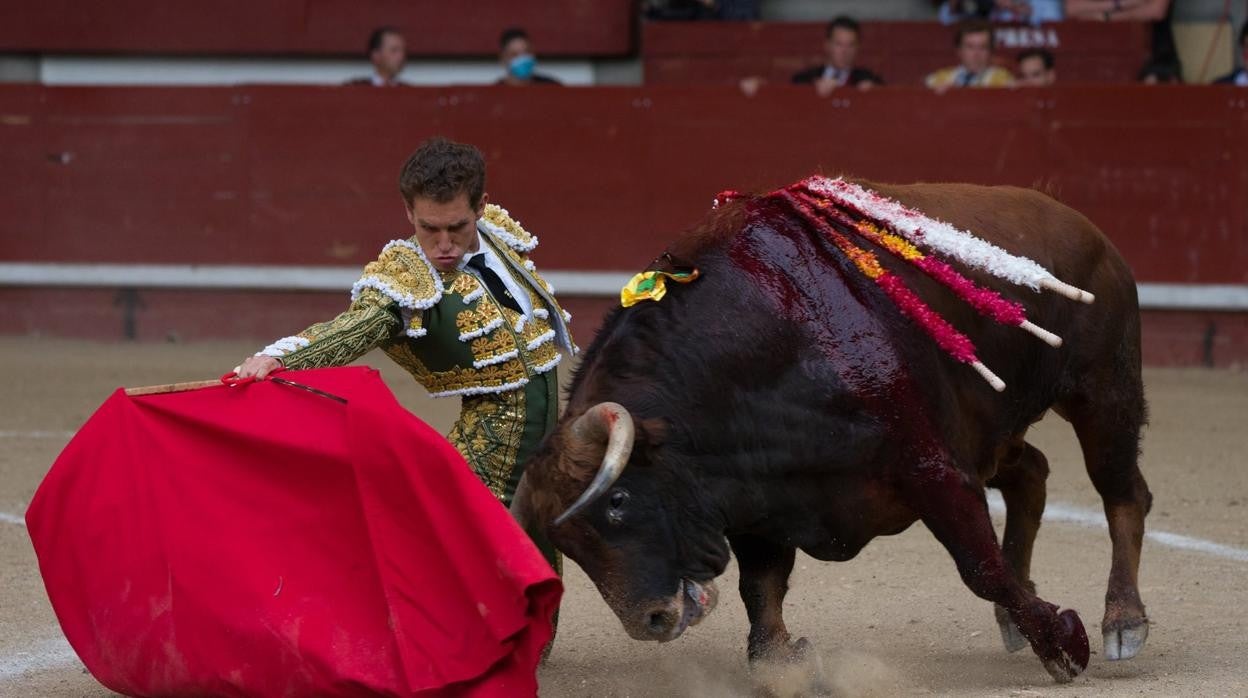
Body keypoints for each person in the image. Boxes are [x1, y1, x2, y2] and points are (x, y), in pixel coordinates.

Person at [234, 137, 574, 578]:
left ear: (481, 207)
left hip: (544, 450)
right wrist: (280, 359)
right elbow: (356, 327)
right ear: (409, 213)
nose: (444, 244)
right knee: (466, 565)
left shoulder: (496, 236)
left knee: (538, 557)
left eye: (457, 227)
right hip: (487, 454)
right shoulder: (406, 282)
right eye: (429, 229)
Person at [790, 16, 884, 95]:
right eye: (839, 44)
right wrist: (812, 90)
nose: (845, 51)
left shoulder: (869, 79)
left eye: (850, 45)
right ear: (827, 45)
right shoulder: (805, 79)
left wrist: (873, 92)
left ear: (857, 48)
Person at [926, 20, 1015, 90]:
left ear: (991, 51)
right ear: (959, 50)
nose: (976, 53)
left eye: (983, 47)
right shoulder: (938, 79)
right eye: (970, 47)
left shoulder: (1003, 80)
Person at [497, 27, 561, 86]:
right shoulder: (495, 91)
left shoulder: (551, 86)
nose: (522, 59)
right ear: (503, 58)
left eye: (527, 52)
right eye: (515, 54)